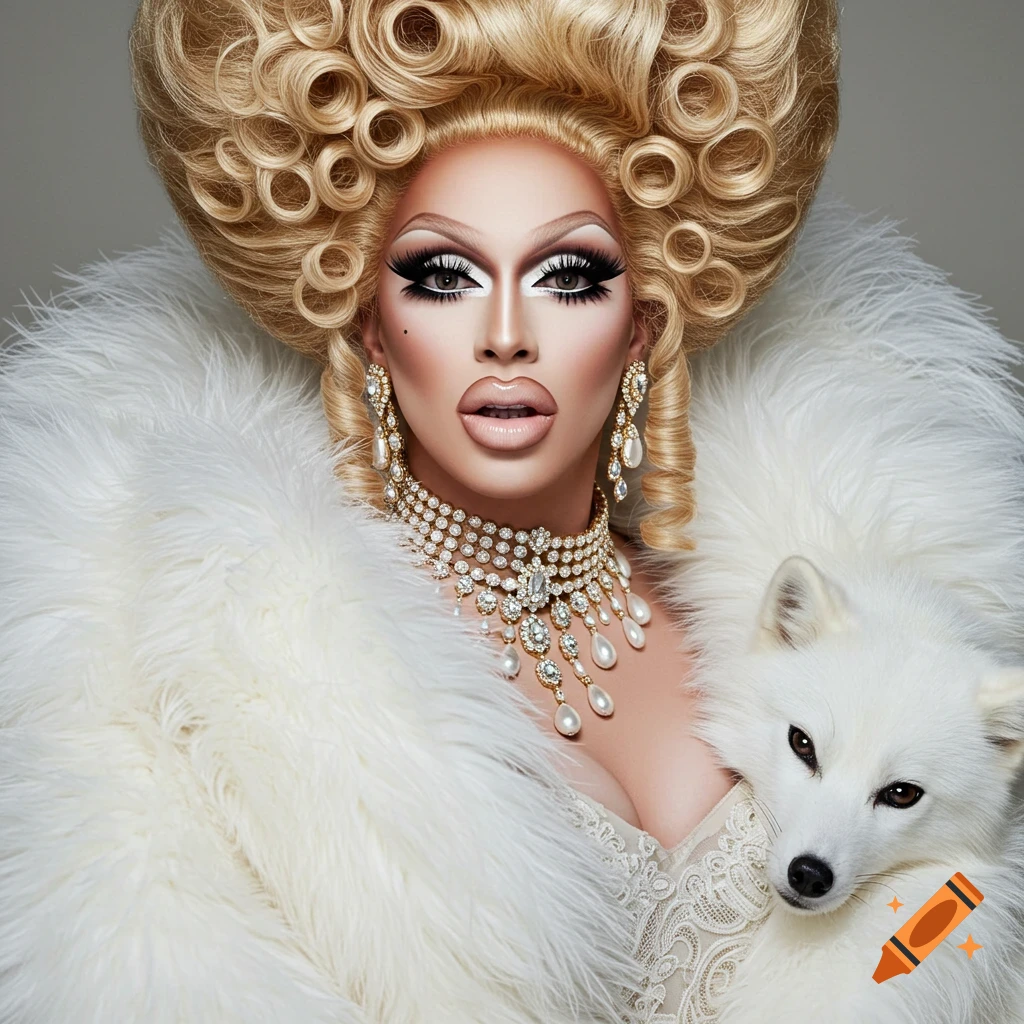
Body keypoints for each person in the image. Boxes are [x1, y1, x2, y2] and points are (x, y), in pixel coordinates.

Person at [1, 0, 855, 1020]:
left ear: (641, 327)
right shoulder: (258, 662)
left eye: (568, 275)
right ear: (366, 323)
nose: (505, 333)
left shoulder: (787, 613)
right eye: (442, 275)